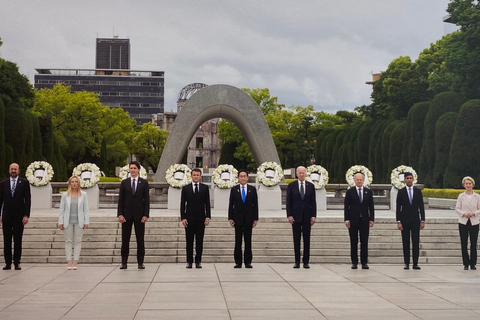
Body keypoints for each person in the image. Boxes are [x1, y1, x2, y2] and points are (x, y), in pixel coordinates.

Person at [117, 161, 149, 270]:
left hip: (139, 216)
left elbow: (147, 200)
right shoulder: (124, 183)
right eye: (131, 168)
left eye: (135, 168)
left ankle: (140, 262)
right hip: (126, 215)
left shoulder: (144, 183)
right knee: (125, 239)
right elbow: (120, 200)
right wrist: (120, 214)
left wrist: (146, 215)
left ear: (138, 170)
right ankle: (124, 262)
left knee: (140, 240)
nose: (133, 170)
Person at [0, 163, 31, 270]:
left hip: (19, 216)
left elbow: (27, 200)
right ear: (9, 170)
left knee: (18, 239)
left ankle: (17, 262)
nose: (13, 171)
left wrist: (26, 215)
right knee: (7, 239)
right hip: (7, 216)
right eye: (12, 169)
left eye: (15, 169)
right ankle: (7, 262)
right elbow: (0, 201)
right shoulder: (3, 183)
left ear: (18, 171)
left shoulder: (24, 183)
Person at [286, 166, 316, 269]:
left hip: (307, 217)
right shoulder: (291, 186)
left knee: (307, 240)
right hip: (295, 217)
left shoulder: (311, 186)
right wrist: (289, 215)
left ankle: (306, 262)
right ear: (297, 174)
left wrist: (313, 216)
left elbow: (313, 202)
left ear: (306, 174)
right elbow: (288, 202)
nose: (302, 174)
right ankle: (297, 261)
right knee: (296, 240)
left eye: (303, 173)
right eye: (300, 173)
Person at [180, 168, 211, 269]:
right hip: (189, 218)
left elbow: (207, 203)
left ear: (200, 176)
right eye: (194, 175)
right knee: (189, 241)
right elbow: (182, 204)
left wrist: (208, 216)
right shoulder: (186, 188)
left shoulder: (205, 188)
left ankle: (198, 261)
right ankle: (189, 261)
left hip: (201, 218)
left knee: (199, 241)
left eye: (198, 175)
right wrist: (183, 217)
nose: (196, 177)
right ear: (191, 176)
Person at [228, 169, 258, 268]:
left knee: (248, 241)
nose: (243, 178)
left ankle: (248, 261)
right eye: (241, 176)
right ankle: (238, 262)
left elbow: (255, 205)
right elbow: (231, 204)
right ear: (238, 178)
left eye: (245, 176)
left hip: (249, 219)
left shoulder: (252, 189)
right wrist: (230, 218)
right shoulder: (234, 189)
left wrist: (255, 218)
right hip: (238, 218)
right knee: (238, 241)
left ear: (247, 178)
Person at [344, 172, 374, 270]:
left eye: (361, 180)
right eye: (358, 180)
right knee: (354, 242)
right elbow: (346, 207)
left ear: (363, 180)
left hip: (365, 220)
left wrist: (372, 219)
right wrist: (347, 219)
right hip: (353, 220)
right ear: (354, 180)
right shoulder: (350, 192)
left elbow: (371, 207)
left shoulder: (368, 192)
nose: (359, 181)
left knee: (364, 242)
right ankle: (354, 262)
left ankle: (364, 262)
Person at [58, 176, 89, 270]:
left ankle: (75, 262)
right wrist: (60, 221)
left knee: (78, 241)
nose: (74, 183)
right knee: (68, 241)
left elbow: (86, 209)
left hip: (79, 221)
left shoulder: (83, 194)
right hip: (68, 221)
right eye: (72, 182)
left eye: (76, 182)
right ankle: (69, 262)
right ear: (70, 183)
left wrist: (86, 221)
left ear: (78, 183)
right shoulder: (65, 195)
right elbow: (62, 209)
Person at [396, 172, 425, 270]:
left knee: (415, 242)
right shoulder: (401, 192)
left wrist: (422, 220)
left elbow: (421, 207)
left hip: (415, 220)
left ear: (413, 179)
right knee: (406, 242)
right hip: (404, 220)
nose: (409, 180)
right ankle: (407, 263)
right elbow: (398, 208)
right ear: (404, 180)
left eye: (410, 178)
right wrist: (398, 221)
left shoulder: (417, 192)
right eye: (407, 178)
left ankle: (415, 263)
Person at [455, 176, 480, 270]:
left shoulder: (477, 196)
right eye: (466, 183)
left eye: (470, 183)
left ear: (473, 184)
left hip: (474, 221)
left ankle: (473, 263)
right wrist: (464, 214)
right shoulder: (461, 196)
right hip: (463, 221)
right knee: (464, 242)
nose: (468, 185)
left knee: (473, 243)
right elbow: (457, 208)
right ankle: (465, 263)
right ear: (464, 185)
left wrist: (474, 213)